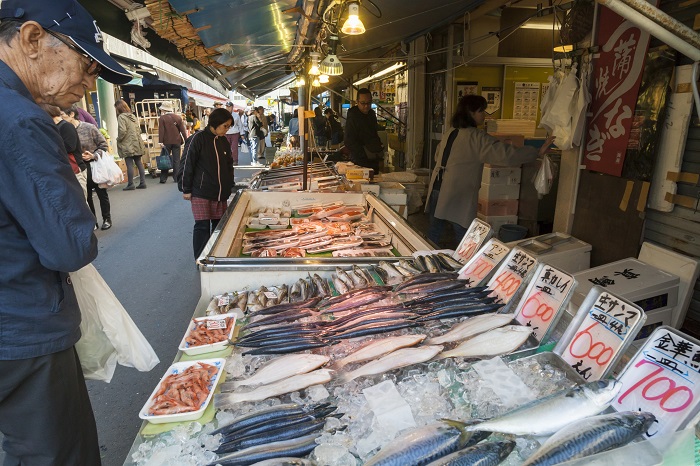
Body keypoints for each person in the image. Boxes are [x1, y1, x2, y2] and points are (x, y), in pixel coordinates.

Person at [0, 1, 131, 464]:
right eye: (87, 65)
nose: (87, 84)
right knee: (57, 454)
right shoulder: (19, 119)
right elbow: (70, 244)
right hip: (21, 328)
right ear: (33, 40)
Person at [425, 95, 556, 249]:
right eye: (481, 111)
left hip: (438, 187)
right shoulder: (476, 137)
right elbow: (506, 154)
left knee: (434, 232)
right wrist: (537, 152)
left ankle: (423, 258)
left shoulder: (451, 132)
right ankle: (465, 268)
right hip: (458, 193)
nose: (484, 115)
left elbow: (437, 156)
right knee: (464, 236)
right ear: (471, 112)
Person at [180, 108, 234, 259]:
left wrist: (229, 185)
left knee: (218, 228)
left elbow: (229, 165)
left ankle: (215, 257)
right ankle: (201, 260)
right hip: (201, 192)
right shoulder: (198, 139)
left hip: (220, 193)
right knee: (202, 227)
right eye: (225, 126)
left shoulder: (223, 141)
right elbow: (187, 164)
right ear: (215, 123)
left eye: (229, 126)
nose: (227, 129)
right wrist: (186, 188)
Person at [62, 105, 113, 230]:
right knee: (86, 195)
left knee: (101, 192)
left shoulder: (89, 127)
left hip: (95, 164)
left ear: (71, 114)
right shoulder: (64, 130)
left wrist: (94, 155)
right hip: (79, 166)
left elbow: (103, 145)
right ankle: (93, 221)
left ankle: (107, 218)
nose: (61, 118)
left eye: (63, 115)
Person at [40, 103, 89, 197]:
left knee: (81, 202)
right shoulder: (53, 127)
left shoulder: (66, 126)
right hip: (66, 170)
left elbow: (70, 147)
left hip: (75, 170)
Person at [344, 88, 383, 172]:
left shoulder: (371, 114)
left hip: (373, 158)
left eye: (369, 103)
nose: (366, 106)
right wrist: (363, 153)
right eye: (363, 103)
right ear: (357, 102)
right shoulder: (353, 115)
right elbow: (348, 140)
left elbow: (374, 134)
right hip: (359, 161)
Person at [115, 99, 147, 190]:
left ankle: (130, 184)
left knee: (129, 163)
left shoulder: (121, 117)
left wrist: (119, 139)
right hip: (137, 143)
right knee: (139, 162)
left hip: (127, 144)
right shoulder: (133, 116)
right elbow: (139, 130)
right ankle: (142, 182)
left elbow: (122, 131)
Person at [158, 101, 187, 183]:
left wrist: (160, 141)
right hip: (177, 141)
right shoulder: (178, 117)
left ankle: (163, 178)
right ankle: (177, 177)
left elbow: (161, 131)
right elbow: (183, 130)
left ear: (164, 109)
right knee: (176, 160)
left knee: (165, 159)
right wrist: (186, 140)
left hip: (166, 142)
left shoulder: (162, 118)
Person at [224, 101, 244, 165]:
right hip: (225, 133)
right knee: (226, 147)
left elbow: (240, 125)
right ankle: (227, 160)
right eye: (227, 106)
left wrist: (242, 134)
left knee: (234, 148)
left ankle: (235, 160)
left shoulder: (236, 115)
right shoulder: (223, 115)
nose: (228, 108)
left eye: (229, 107)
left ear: (232, 107)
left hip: (235, 133)